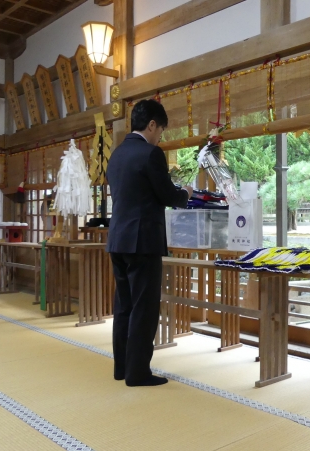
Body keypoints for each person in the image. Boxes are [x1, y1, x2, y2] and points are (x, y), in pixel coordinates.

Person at [106, 99, 193, 387]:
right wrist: (186, 193)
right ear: (152, 124)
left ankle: (122, 368)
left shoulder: (116, 155)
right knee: (144, 308)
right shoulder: (151, 154)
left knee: (124, 306)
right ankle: (138, 373)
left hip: (118, 239)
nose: (160, 137)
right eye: (161, 130)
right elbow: (167, 195)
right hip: (143, 241)